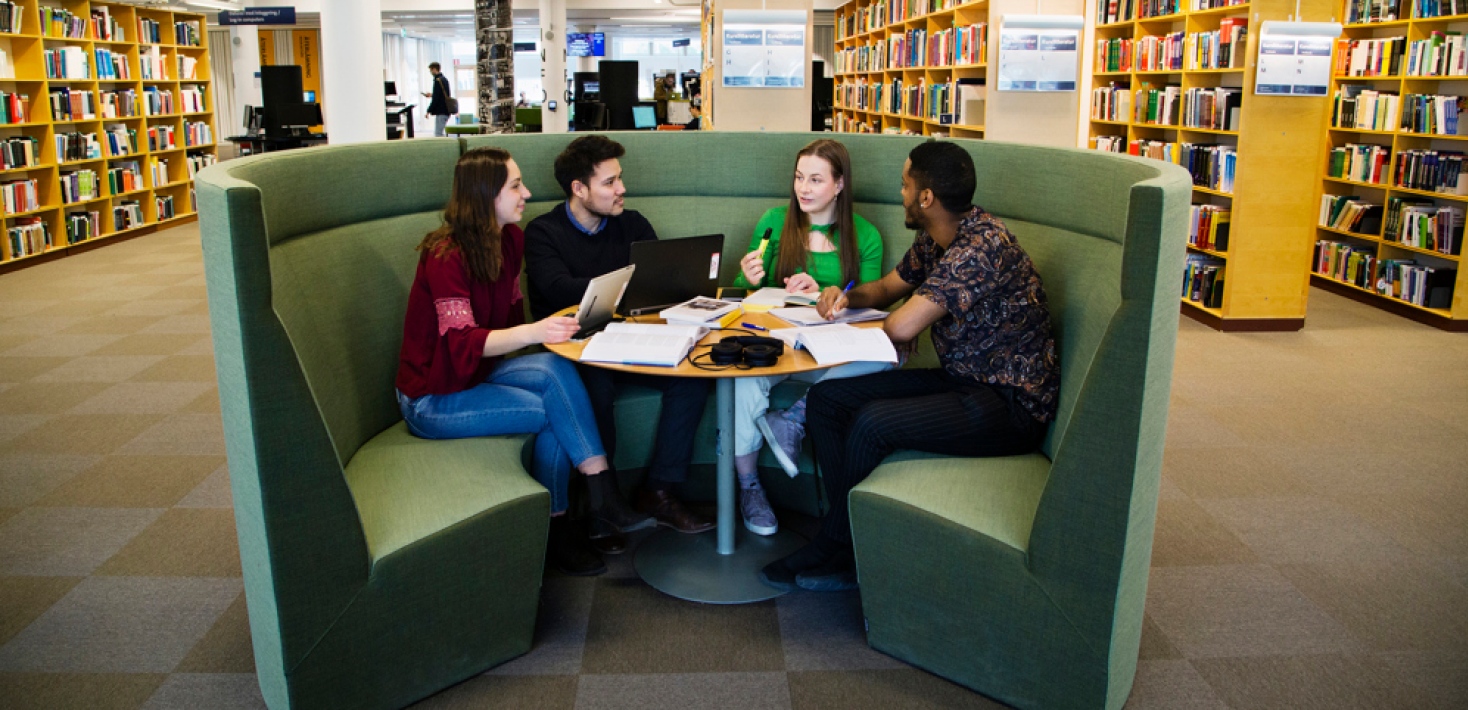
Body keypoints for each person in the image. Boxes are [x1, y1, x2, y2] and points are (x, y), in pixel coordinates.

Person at [759, 140, 1060, 592]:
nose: (899, 193)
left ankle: (838, 545)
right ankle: (844, 538)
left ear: (926, 198)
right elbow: (884, 289)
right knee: (825, 399)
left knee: (872, 423)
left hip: (1010, 403)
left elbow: (900, 326)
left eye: (904, 185)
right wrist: (842, 295)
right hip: (965, 380)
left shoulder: (979, 248)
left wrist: (851, 327)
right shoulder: (937, 237)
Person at [394, 147, 654, 578]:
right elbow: (462, 346)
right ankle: (563, 526)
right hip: (432, 396)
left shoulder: (510, 240)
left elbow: (507, 323)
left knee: (558, 371)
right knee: (555, 411)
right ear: (484, 196)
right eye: (515, 186)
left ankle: (600, 496)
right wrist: (538, 331)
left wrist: (549, 333)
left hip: (480, 374)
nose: (527, 194)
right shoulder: (444, 256)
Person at [524, 135, 715, 546]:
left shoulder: (632, 223)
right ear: (579, 188)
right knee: (596, 383)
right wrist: (629, 287)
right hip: (576, 349)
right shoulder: (543, 232)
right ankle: (599, 505)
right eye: (610, 182)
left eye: (620, 179)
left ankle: (658, 492)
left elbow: (661, 280)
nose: (621, 189)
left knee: (694, 375)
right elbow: (557, 289)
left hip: (633, 339)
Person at [729, 139, 885, 536]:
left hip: (829, 352)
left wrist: (820, 293)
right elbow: (741, 296)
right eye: (799, 177)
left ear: (839, 185)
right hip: (778, 343)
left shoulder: (865, 236)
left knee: (884, 359)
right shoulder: (774, 221)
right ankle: (748, 486)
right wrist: (745, 278)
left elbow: (869, 305)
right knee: (743, 375)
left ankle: (793, 420)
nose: (804, 188)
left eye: (816, 179)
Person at [423, 62, 453, 137]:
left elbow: (436, 99)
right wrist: (432, 95)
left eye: (430, 70)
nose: (430, 72)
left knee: (438, 134)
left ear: (434, 69)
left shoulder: (438, 80)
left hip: (441, 110)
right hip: (446, 110)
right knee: (439, 133)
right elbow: (441, 95)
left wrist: (428, 111)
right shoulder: (444, 79)